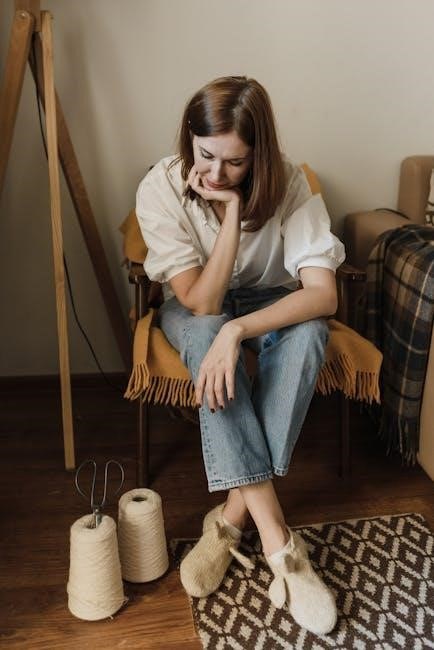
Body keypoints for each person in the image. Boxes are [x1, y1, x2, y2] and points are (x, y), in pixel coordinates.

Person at [135, 76, 345, 636]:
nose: (215, 173)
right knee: (208, 331)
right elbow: (203, 303)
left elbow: (323, 295)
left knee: (310, 332)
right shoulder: (160, 187)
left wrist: (239, 330)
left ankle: (229, 520)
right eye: (206, 154)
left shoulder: (290, 184)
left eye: (235, 162)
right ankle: (281, 547)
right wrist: (229, 212)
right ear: (190, 136)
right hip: (196, 306)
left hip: (265, 301)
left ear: (259, 154)